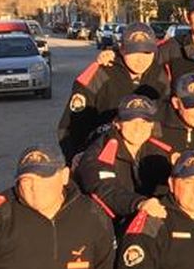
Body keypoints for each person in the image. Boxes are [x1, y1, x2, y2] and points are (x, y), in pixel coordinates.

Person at [58, 22, 168, 161]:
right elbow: (70, 127)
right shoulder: (99, 74)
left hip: (148, 159)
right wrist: (76, 160)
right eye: (133, 51)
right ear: (122, 49)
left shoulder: (161, 77)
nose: (140, 59)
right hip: (102, 158)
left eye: (147, 52)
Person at [72, 94, 175, 228]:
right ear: (117, 123)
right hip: (104, 225)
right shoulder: (100, 151)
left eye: (144, 121)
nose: (138, 127)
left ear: (152, 125)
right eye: (131, 121)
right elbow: (105, 189)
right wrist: (139, 203)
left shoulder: (161, 150)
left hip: (146, 220)